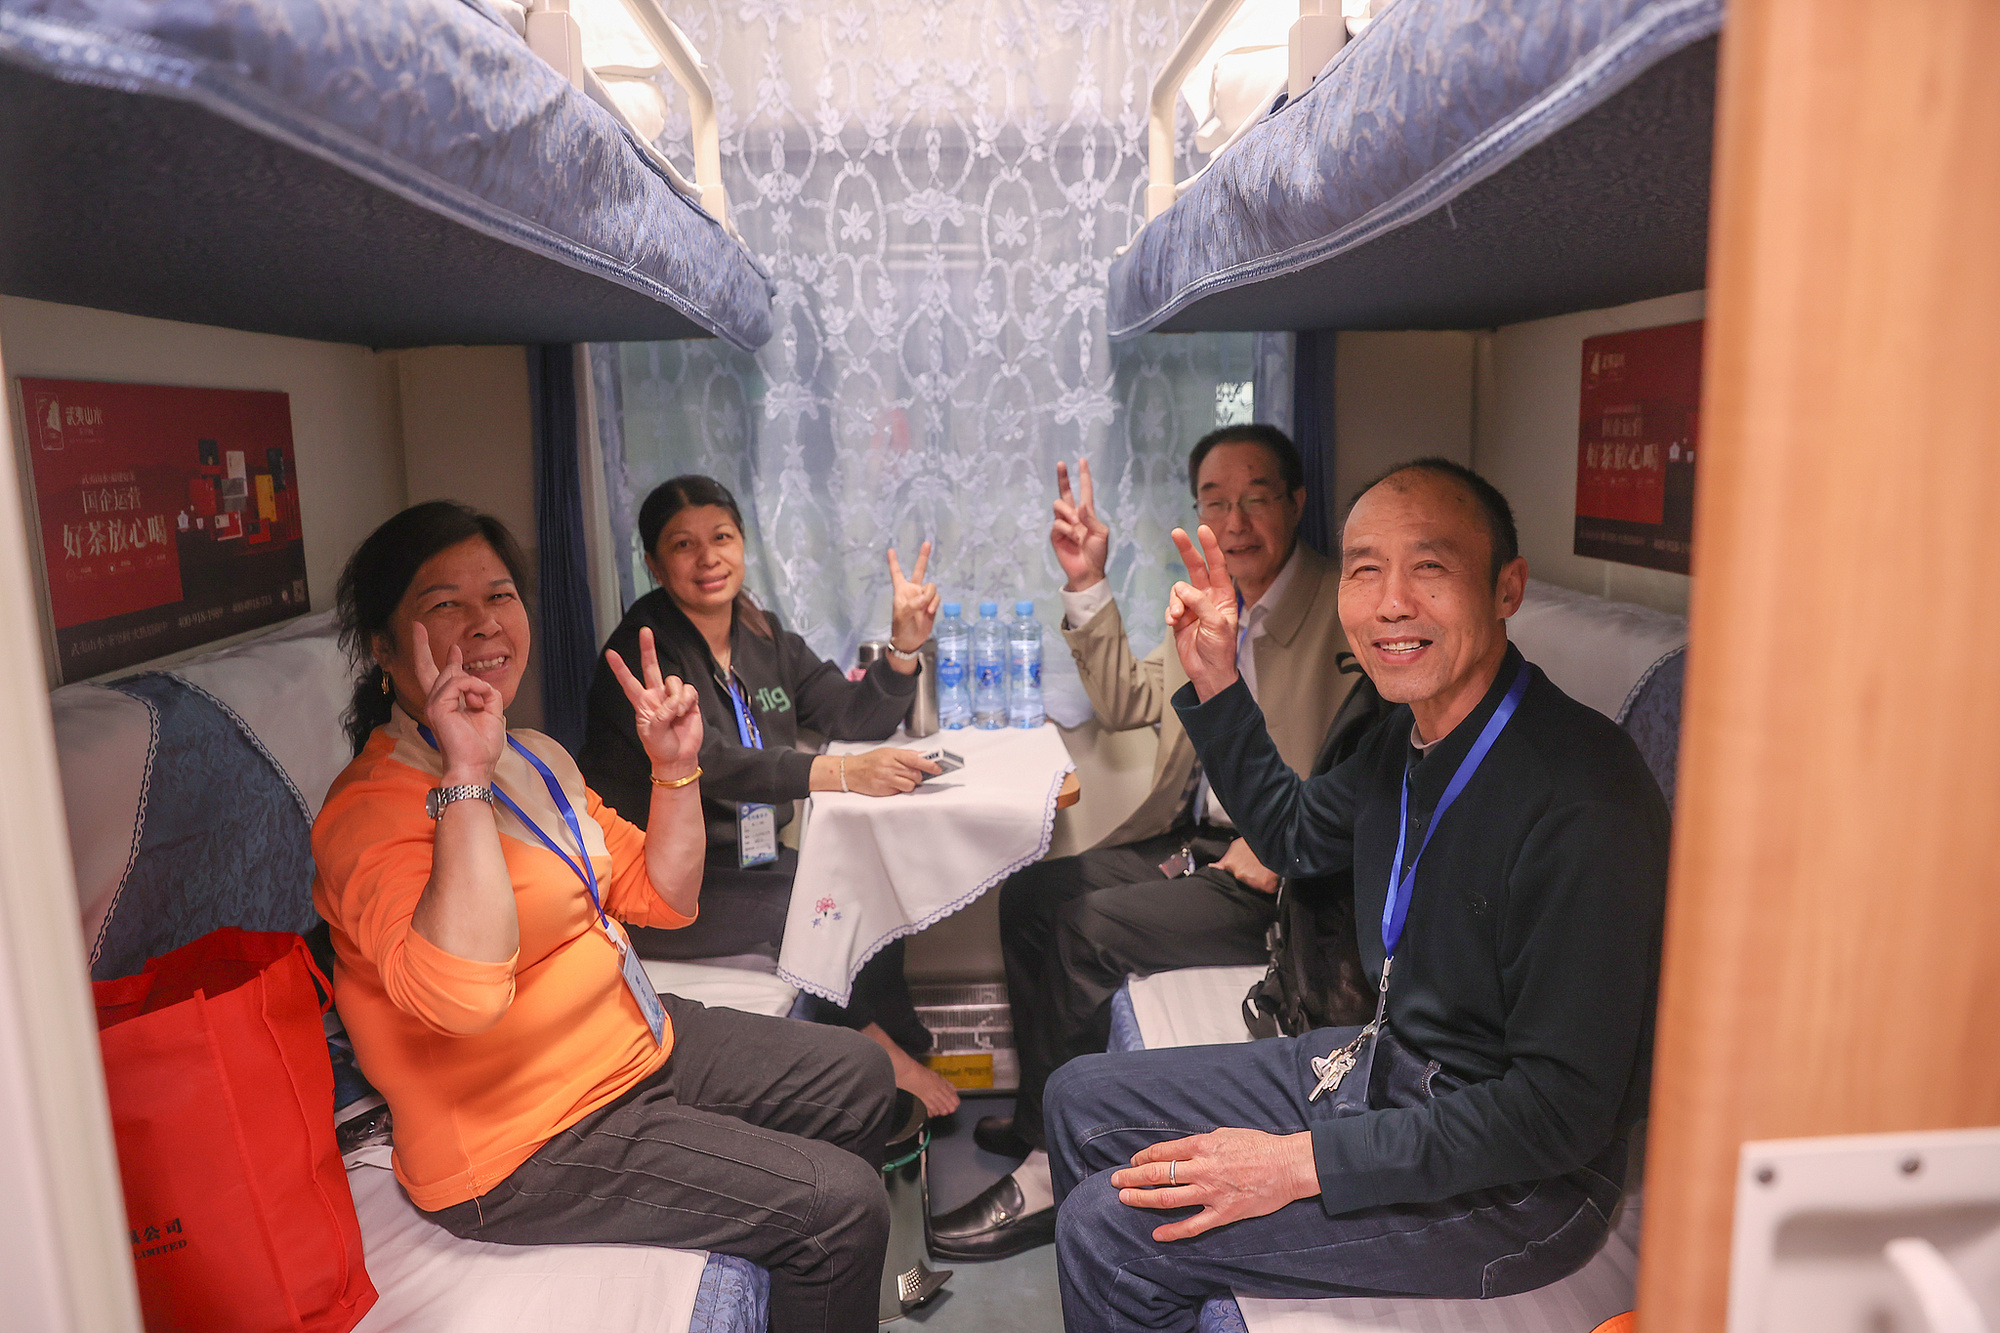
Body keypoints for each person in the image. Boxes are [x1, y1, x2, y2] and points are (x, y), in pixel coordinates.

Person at [1042, 460, 1670, 1333]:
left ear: (1507, 588)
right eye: (1366, 569)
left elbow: (1556, 1115)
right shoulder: (1403, 738)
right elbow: (1296, 835)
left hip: (1518, 1183)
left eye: (1431, 567)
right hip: (1391, 1068)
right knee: (1078, 1097)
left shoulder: (1584, 797)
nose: (1391, 603)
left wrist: (1301, 1162)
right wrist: (1217, 679)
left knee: (1110, 1233)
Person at [312, 501, 897, 1333]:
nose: (484, 622)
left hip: (628, 1043)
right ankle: (820, 1258)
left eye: (500, 595)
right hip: (526, 1138)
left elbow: (665, 893)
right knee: (838, 1207)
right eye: (445, 603)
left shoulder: (534, 755)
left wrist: (675, 770)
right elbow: (461, 998)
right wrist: (464, 773)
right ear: (382, 646)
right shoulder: (368, 812)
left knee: (860, 1076)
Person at [933, 424, 1358, 1259]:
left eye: (1256, 498)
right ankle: (1037, 1116)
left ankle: (1052, 1172)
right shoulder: (1207, 595)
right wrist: (1085, 580)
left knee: (1087, 929)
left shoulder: (1344, 611)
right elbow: (1131, 701)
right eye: (1214, 502)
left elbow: (1366, 763)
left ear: (1297, 502)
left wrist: (1290, 840)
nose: (1234, 521)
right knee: (1031, 893)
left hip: (1278, 873)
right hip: (1197, 838)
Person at [578, 475, 959, 1116]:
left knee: (866, 878)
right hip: (659, 883)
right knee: (809, 904)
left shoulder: (761, 634)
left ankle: (900, 1041)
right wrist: (843, 774)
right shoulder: (642, 651)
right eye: (683, 544)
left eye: (722, 537)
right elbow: (712, 764)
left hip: (744, 863)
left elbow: (851, 714)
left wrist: (903, 649)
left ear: (743, 546)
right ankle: (878, 1054)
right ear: (653, 564)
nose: (708, 558)